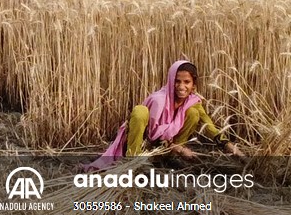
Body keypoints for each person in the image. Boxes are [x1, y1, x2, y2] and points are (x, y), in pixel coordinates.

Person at [89, 60, 244, 170]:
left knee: (195, 113)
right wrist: (180, 150)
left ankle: (168, 158)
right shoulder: (159, 100)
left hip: (166, 148)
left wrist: (229, 146)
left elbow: (208, 125)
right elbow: (152, 137)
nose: (181, 87)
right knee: (140, 111)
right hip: (145, 145)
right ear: (170, 81)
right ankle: (133, 163)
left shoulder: (192, 101)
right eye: (177, 81)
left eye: (186, 82)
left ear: (193, 85)